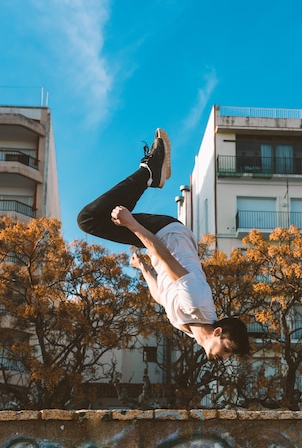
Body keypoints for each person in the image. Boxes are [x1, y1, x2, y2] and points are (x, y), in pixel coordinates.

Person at [77, 128, 250, 361]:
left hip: (163, 239)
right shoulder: (196, 303)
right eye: (227, 349)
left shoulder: (190, 326)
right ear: (217, 332)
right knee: (89, 220)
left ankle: (150, 173)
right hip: (166, 233)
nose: (225, 357)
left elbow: (163, 295)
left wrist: (144, 269)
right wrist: (132, 225)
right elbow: (168, 258)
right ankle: (150, 170)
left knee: (98, 219)